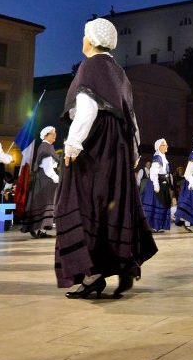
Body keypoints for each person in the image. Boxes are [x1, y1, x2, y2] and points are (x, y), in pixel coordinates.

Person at [54, 18, 157, 298]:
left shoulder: (91, 66)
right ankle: (122, 262)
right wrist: (134, 150)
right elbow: (131, 116)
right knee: (113, 203)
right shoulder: (118, 71)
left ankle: (93, 273)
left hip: (96, 143)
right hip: (119, 144)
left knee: (78, 201)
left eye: (83, 35)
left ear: (90, 40)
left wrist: (73, 144)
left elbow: (86, 107)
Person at [19, 126, 62, 238]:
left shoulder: (45, 146)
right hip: (46, 180)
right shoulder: (46, 147)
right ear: (46, 135)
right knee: (44, 204)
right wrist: (57, 179)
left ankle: (40, 230)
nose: (55, 135)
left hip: (43, 179)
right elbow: (48, 167)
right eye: (53, 133)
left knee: (40, 204)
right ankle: (39, 230)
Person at [142, 139, 172, 233]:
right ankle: (155, 226)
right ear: (158, 147)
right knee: (156, 204)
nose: (166, 146)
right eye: (164, 145)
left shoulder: (163, 157)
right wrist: (156, 185)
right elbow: (153, 172)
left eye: (166, 144)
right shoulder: (157, 157)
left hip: (164, 182)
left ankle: (160, 225)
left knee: (163, 204)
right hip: (157, 182)